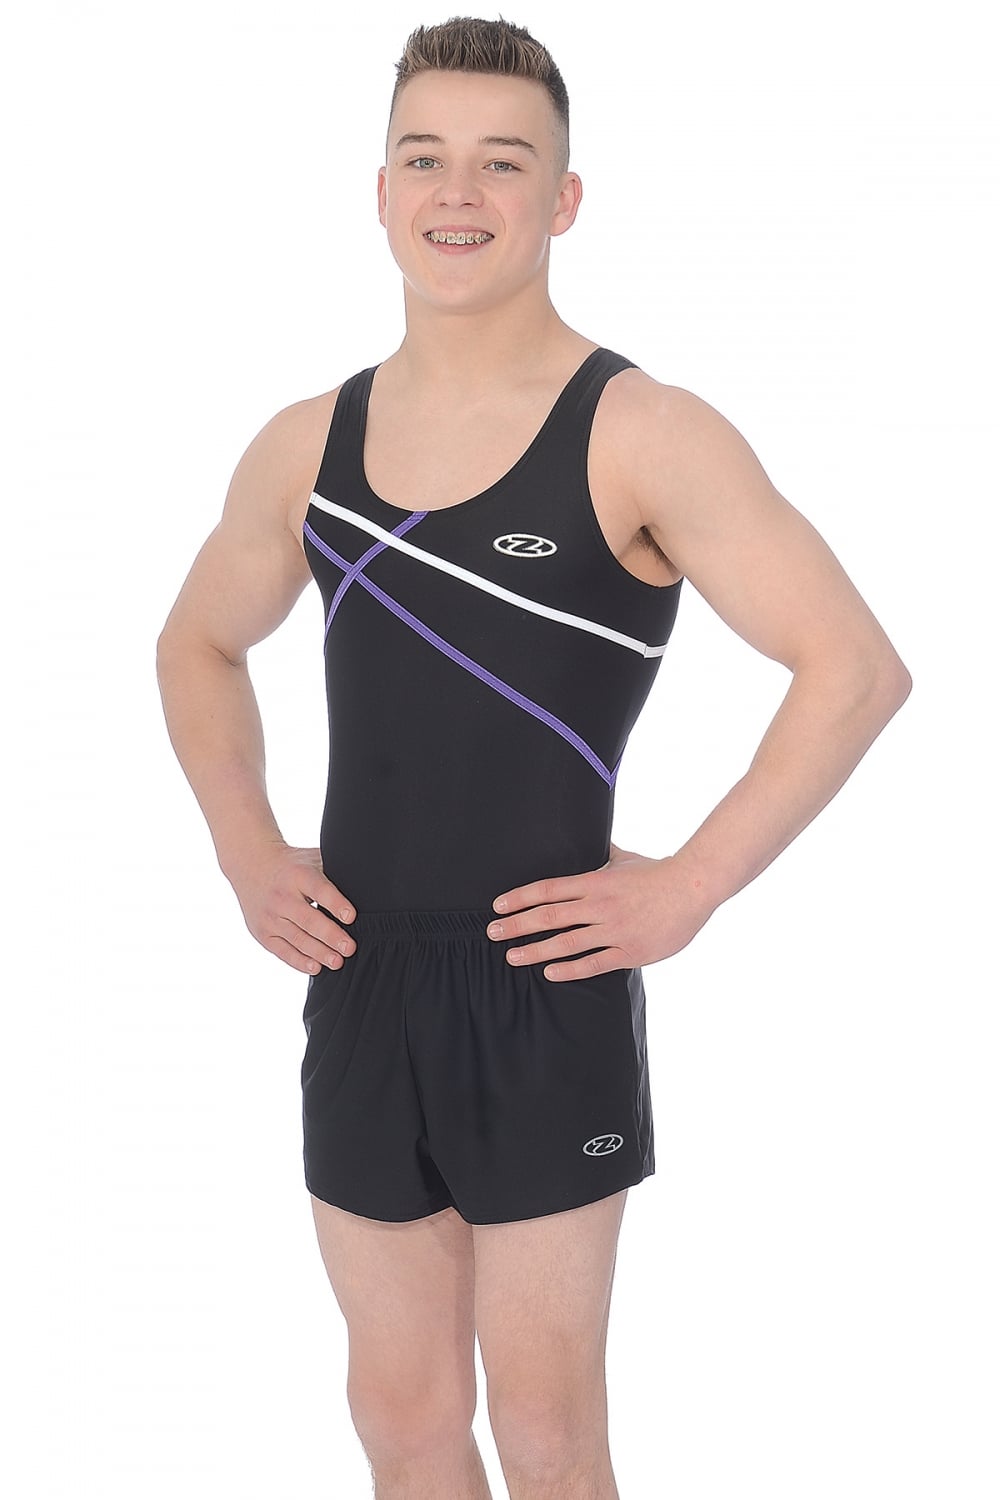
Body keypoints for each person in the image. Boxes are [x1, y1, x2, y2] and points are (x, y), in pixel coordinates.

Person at [156, 16, 911, 1499]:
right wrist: (245, 847)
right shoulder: (306, 444)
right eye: (424, 159)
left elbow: (856, 669)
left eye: (502, 164)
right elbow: (195, 645)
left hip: (542, 979)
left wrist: (691, 885)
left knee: (550, 1432)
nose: (459, 194)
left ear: (562, 199)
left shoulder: (644, 432)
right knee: (402, 1415)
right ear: (380, 191)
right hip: (359, 971)